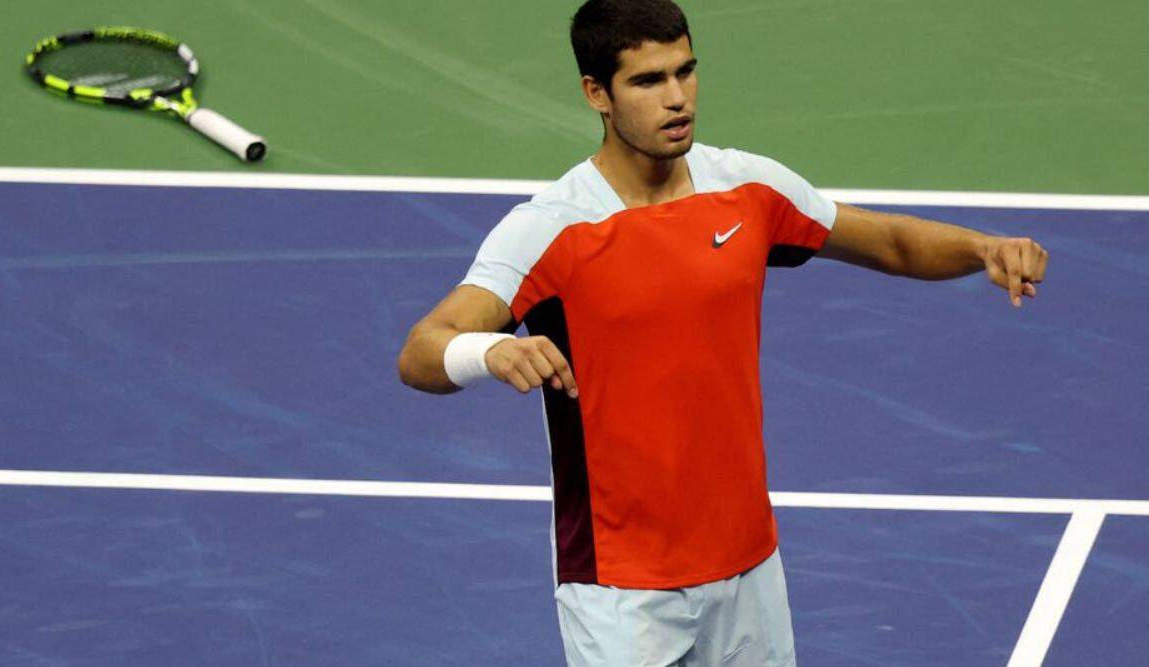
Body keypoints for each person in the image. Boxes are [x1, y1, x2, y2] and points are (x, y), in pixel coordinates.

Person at [397, 0, 1049, 664]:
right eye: (648, 81)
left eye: (685, 71)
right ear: (597, 94)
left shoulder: (748, 189)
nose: (676, 97)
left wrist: (983, 248)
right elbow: (423, 350)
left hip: (748, 567)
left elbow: (887, 242)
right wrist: (491, 349)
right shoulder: (551, 228)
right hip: (620, 589)